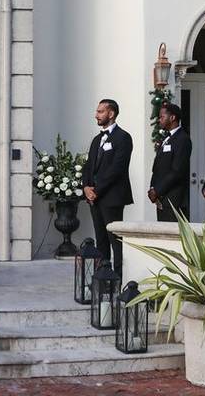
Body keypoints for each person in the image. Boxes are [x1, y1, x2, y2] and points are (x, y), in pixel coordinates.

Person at [83, 99, 133, 278]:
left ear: (111, 114)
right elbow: (88, 166)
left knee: (115, 240)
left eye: (100, 112)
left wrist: (96, 190)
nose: (96, 115)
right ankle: (104, 277)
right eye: (97, 111)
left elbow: (117, 169)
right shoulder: (97, 139)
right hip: (94, 198)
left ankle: (118, 279)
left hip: (112, 197)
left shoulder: (123, 137)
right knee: (100, 239)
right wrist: (86, 187)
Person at [148, 103, 192, 222]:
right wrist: (153, 188)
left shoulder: (182, 139)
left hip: (174, 199)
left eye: (162, 117)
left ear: (172, 118)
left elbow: (177, 170)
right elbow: (157, 167)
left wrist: (157, 190)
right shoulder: (166, 138)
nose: (159, 120)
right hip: (162, 198)